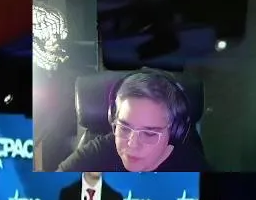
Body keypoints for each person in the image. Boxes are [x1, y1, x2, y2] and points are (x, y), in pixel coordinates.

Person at [57, 69, 209, 173]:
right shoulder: (98, 151)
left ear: (174, 131)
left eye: (149, 133)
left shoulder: (191, 165)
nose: (132, 144)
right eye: (124, 128)